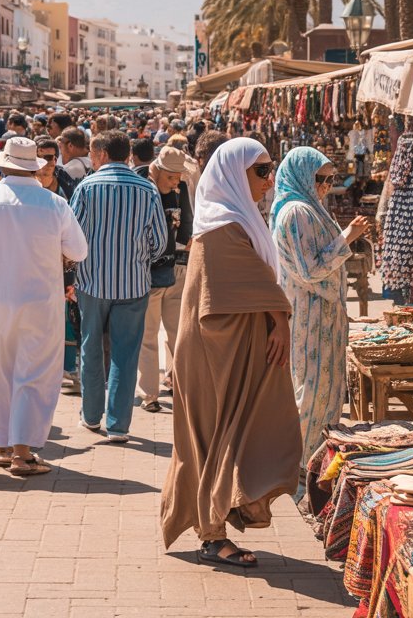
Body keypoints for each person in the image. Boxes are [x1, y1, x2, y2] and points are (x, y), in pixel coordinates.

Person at [160, 137, 299, 568]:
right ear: (234, 174)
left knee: (230, 433)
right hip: (212, 354)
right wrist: (279, 318)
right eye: (260, 171)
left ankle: (220, 516)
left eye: (270, 169)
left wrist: (275, 319)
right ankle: (211, 534)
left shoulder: (233, 220)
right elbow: (237, 287)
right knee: (212, 437)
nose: (269, 179)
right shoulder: (222, 228)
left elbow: (251, 282)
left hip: (230, 347)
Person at [0, 137, 88, 475]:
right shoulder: (54, 203)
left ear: (3, 164)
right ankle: (22, 452)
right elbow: (79, 251)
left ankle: (1, 446)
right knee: (34, 372)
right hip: (40, 300)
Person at [272, 148, 368, 466]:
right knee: (311, 391)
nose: (326, 186)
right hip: (311, 316)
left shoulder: (309, 209)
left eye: (331, 179)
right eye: (320, 179)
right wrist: (348, 237)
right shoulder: (297, 213)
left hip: (323, 316)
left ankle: (314, 461)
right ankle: (299, 463)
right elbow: (309, 269)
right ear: (302, 177)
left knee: (322, 390)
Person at [70, 130, 167, 443]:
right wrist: (140, 259)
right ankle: (118, 425)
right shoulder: (147, 189)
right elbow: (160, 241)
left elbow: (73, 237)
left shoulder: (86, 186)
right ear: (127, 154)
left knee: (91, 347)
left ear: (100, 154)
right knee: (126, 354)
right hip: (133, 284)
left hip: (92, 282)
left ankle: (91, 416)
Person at [135, 146, 193, 411]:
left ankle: (182, 387)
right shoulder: (142, 191)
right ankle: (150, 395)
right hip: (146, 274)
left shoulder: (179, 192)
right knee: (148, 336)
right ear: (155, 170)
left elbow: (186, 232)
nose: (176, 181)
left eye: (179, 176)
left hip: (174, 271)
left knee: (177, 334)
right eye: (171, 177)